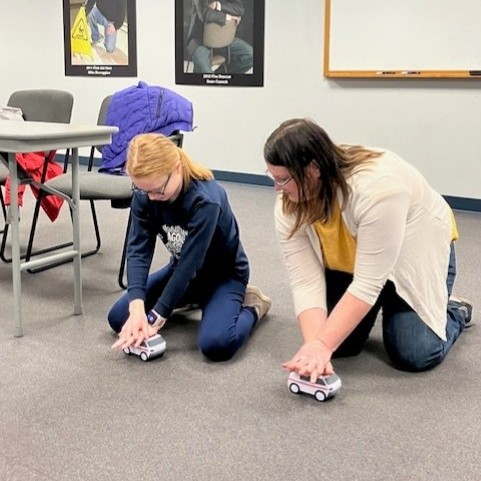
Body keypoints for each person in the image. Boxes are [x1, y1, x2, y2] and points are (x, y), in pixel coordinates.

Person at [263, 118, 473, 382]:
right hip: (353, 258)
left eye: (283, 179)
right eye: (273, 177)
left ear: (313, 170)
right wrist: (315, 347)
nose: (277, 188)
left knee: (414, 353)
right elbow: (305, 281)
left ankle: (454, 310)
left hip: (412, 252)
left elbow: (367, 284)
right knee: (338, 344)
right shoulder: (290, 202)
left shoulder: (378, 190)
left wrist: (323, 345)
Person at [109, 133, 272, 362]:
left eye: (157, 190)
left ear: (176, 168)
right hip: (181, 273)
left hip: (223, 277)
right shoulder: (145, 194)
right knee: (120, 318)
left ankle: (253, 305)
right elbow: (138, 250)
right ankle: (192, 299)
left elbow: (190, 263)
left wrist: (158, 315)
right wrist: (137, 307)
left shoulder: (205, 200)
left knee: (216, 345)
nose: (152, 198)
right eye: (144, 190)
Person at [186, 0, 253, 74]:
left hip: (225, 39)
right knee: (204, 70)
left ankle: (221, 75)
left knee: (251, 56)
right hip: (200, 42)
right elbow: (205, 14)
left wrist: (219, 5)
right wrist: (228, 17)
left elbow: (240, 9)